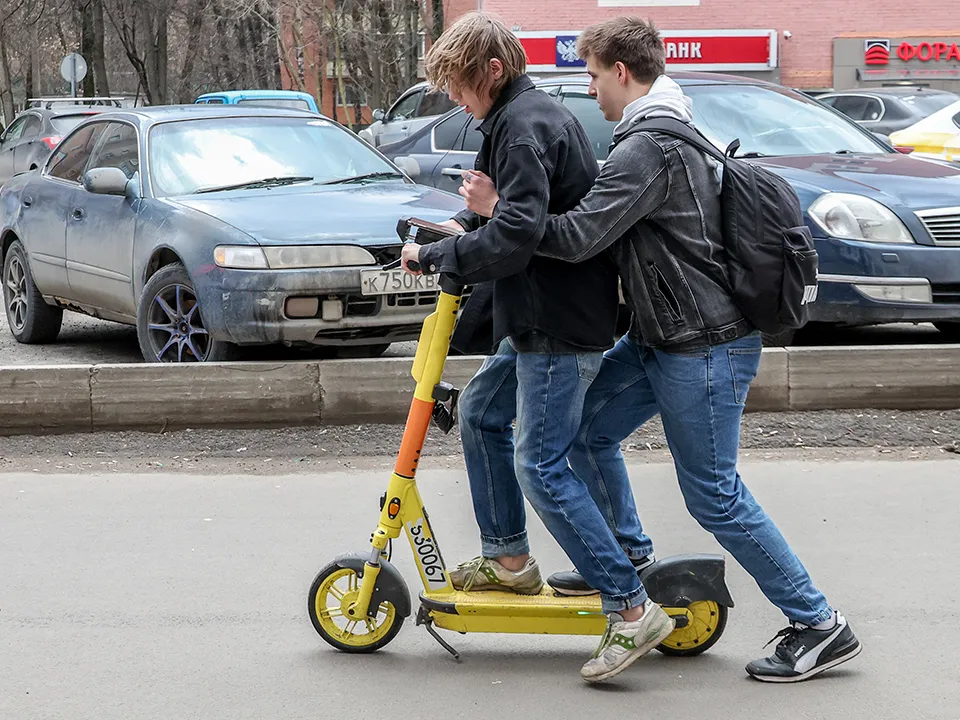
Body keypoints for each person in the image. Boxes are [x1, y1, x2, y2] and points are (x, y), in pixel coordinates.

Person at [457, 16, 861, 684]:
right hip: (659, 340)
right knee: (584, 433)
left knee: (714, 496)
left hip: (705, 348)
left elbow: (581, 236)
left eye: (592, 76)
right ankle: (620, 556)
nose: (590, 90)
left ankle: (820, 623)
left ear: (621, 72)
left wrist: (504, 207)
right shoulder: (668, 129)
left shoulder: (651, 146)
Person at [400, 11, 677, 683]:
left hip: (558, 326)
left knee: (542, 466)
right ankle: (508, 560)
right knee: (481, 414)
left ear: (491, 69)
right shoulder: (513, 121)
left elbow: (517, 232)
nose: (457, 101)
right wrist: (456, 225)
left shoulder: (525, 126)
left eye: (460, 86)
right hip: (534, 320)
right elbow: (500, 210)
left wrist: (439, 253)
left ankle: (632, 608)